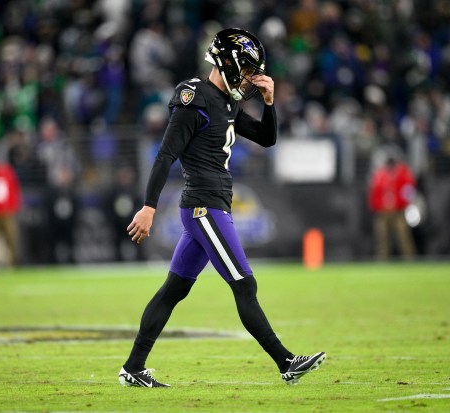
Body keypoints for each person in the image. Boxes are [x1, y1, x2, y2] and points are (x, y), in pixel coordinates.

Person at [118, 28, 326, 388]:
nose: (247, 79)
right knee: (245, 285)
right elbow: (165, 154)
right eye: (245, 71)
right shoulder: (193, 97)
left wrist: (270, 102)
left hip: (211, 205)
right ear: (228, 64)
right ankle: (287, 362)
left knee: (174, 290)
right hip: (203, 207)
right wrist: (149, 207)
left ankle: (133, 367)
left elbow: (266, 137)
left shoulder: (225, 101)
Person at [368, 155, 417, 259]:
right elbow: (374, 193)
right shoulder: (379, 175)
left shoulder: (403, 174)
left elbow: (408, 190)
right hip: (383, 212)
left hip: (398, 211)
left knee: (404, 236)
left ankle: (409, 259)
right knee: (382, 238)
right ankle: (382, 259)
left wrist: (404, 203)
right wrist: (377, 206)